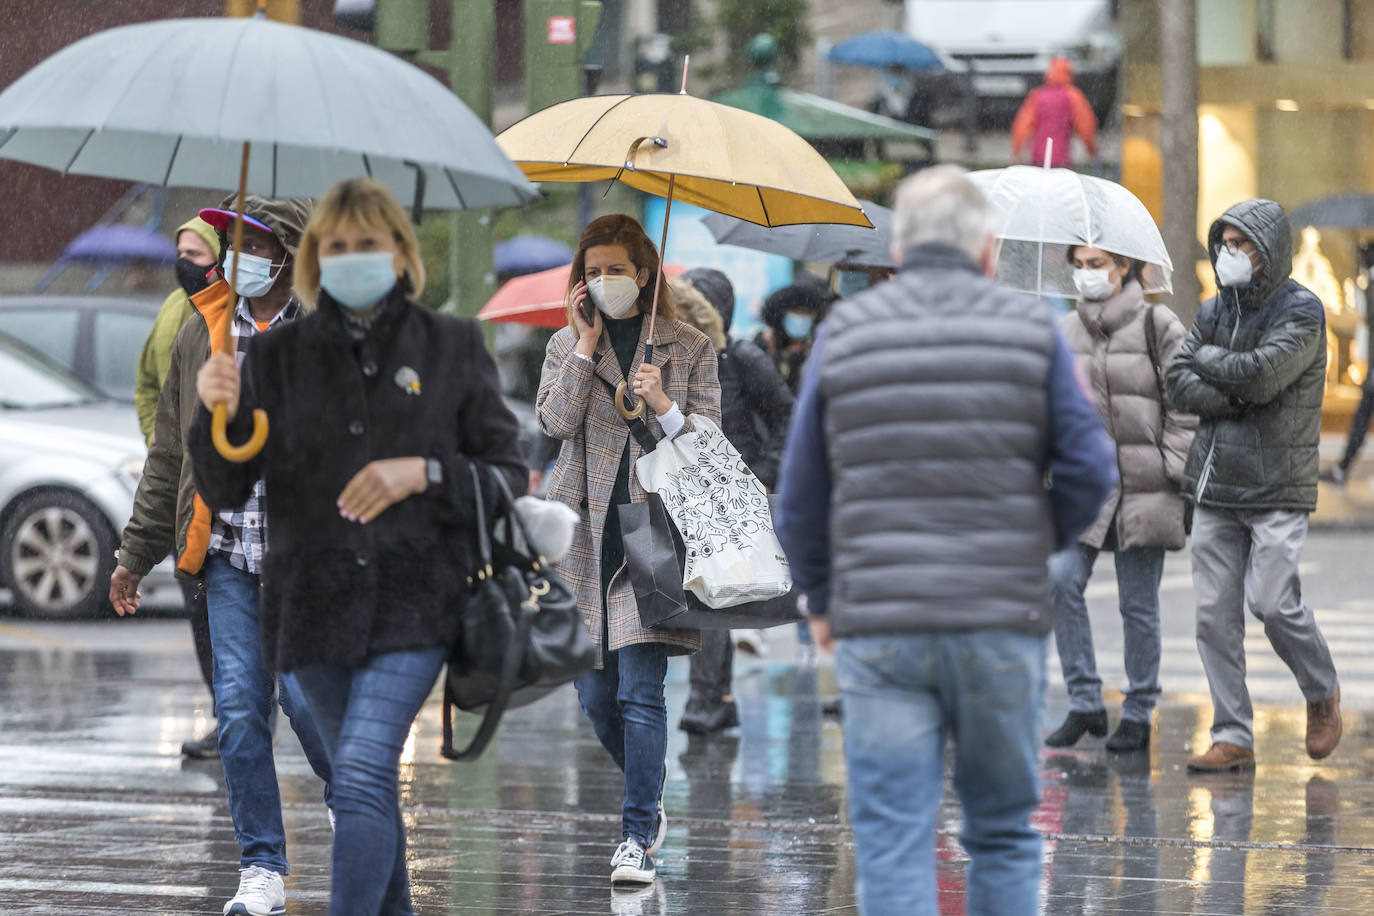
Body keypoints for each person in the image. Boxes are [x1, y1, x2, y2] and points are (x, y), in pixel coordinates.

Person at [776, 165, 1116, 916]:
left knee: (894, 837)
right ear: (987, 251)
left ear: (900, 248)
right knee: (1001, 833)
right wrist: (1036, 545)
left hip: (880, 620)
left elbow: (800, 496)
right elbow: (1091, 468)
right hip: (997, 616)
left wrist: (824, 597)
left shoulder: (847, 334)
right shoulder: (1030, 330)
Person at [190, 178, 527, 916]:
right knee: (360, 779)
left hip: (416, 605)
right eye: (335, 247)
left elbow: (507, 474)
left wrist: (425, 473)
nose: (351, 258)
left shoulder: (450, 346)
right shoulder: (278, 359)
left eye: (367, 244)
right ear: (313, 260)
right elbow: (226, 483)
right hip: (312, 609)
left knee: (368, 766)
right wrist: (215, 412)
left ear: (401, 252)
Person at [111, 194, 334, 916]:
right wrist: (135, 553)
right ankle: (261, 865)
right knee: (240, 714)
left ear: (289, 256)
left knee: (304, 700)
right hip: (229, 556)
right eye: (231, 239)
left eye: (256, 243)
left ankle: (353, 797)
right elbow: (169, 452)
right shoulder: (201, 331)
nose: (239, 254)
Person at [536, 214, 721, 887]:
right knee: (594, 697)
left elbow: (707, 450)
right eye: (593, 271)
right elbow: (554, 423)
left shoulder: (689, 345)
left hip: (652, 533)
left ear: (644, 273)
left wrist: (664, 404)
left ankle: (636, 834)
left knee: (642, 694)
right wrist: (586, 349)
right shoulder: (564, 343)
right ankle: (652, 782)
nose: (605, 281)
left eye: (617, 268)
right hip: (585, 533)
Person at [1164, 199, 1342, 773]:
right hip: (1216, 483)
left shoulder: (1303, 311)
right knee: (1213, 617)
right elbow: (1176, 379)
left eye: (1241, 244)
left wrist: (1216, 368)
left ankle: (1320, 690)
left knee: (1272, 602)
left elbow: (1266, 374)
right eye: (1225, 243)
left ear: (1268, 252)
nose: (1228, 254)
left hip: (1276, 487)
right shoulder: (1215, 309)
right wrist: (1234, 390)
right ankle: (1233, 732)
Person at [1045, 245, 1197, 753]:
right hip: (1083, 489)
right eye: (1080, 265)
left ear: (1123, 266)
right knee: (1060, 581)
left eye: (1096, 264)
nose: (1086, 275)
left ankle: (1137, 710)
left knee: (1138, 606)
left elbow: (1185, 406)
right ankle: (1085, 701)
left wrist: (1171, 467)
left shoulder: (1158, 324)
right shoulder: (1065, 333)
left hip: (1144, 485)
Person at [670, 269, 794, 735]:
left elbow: (787, 415)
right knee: (701, 592)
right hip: (687, 489)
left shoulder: (740, 358)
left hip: (734, 494)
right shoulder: (675, 358)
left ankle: (709, 700)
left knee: (714, 595)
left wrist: (763, 476)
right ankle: (711, 698)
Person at [133, 215, 223, 759]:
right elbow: (151, 389)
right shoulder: (177, 315)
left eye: (197, 252)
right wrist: (165, 441)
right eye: (180, 252)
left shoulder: (244, 319)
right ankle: (231, 717)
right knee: (203, 617)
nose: (185, 263)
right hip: (189, 507)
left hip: (241, 510)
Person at [1010, 56, 1098, 169]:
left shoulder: (1037, 95)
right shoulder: (1073, 96)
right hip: (1062, 160)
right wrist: (1091, 150)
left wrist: (1016, 151)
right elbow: (1086, 126)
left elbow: (1021, 126)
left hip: (1038, 159)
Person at [757, 273, 832, 394]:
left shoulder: (819, 349)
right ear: (784, 313)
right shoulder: (765, 344)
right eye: (795, 310)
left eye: (806, 312)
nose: (800, 316)